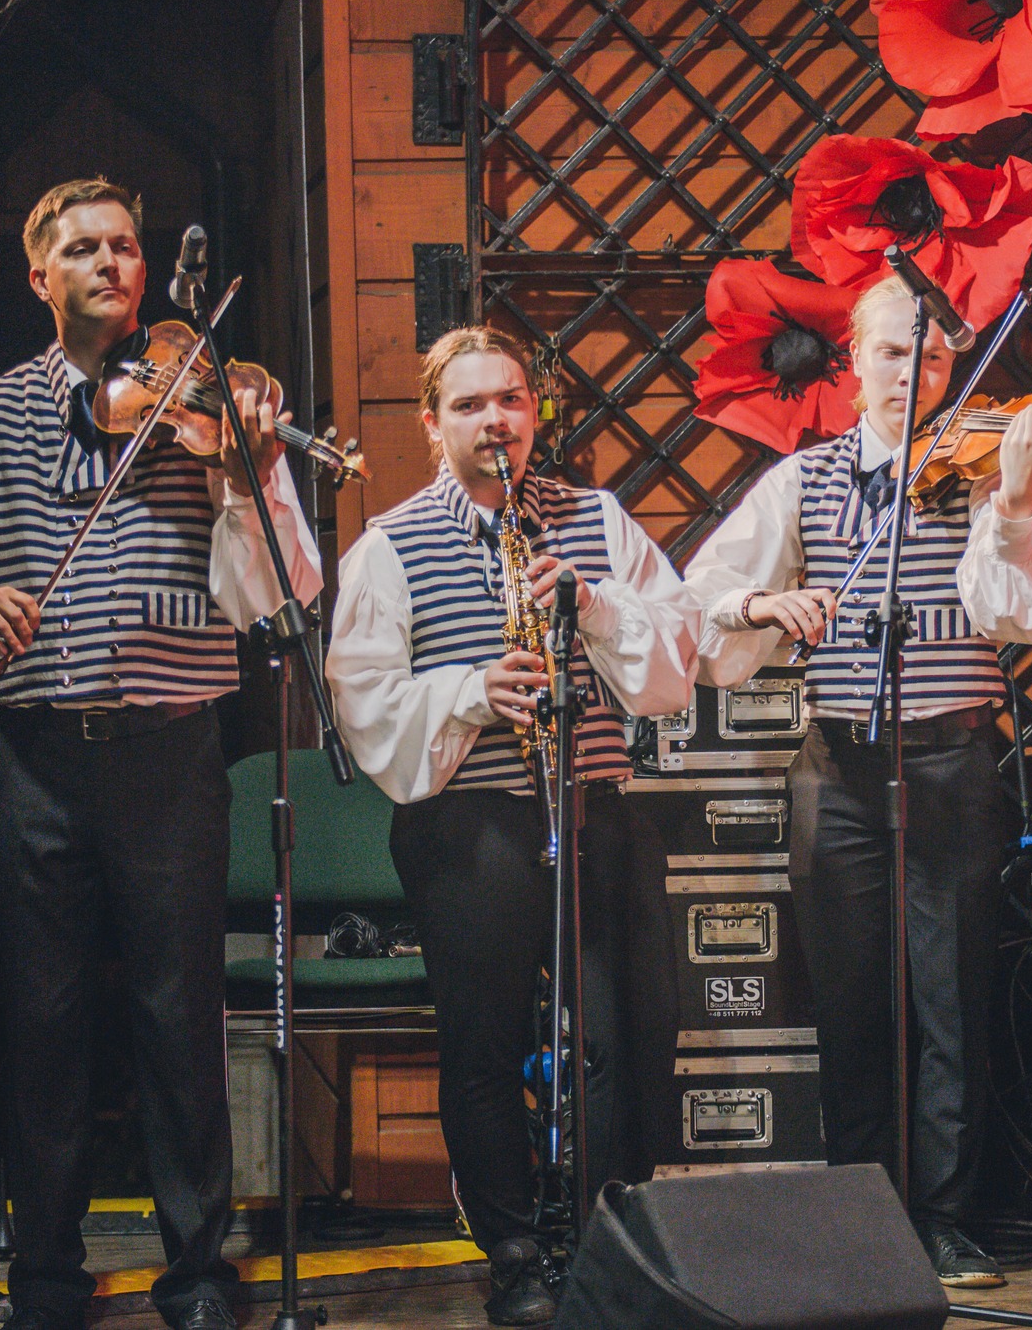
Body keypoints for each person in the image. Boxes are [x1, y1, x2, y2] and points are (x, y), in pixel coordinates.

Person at [0, 177, 323, 1330]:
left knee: (181, 1020)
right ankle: (48, 1277)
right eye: (83, 249)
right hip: (38, 761)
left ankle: (197, 1274)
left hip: (170, 753)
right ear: (40, 277)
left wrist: (246, 478)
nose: (112, 262)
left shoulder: (207, 408)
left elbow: (275, 594)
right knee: (46, 1024)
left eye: (124, 245)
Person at [683, 274, 1032, 1287]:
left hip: (951, 762)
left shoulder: (983, 477)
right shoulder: (806, 480)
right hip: (839, 767)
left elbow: (1016, 614)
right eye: (895, 351)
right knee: (849, 1006)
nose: (914, 372)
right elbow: (702, 589)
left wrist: (1013, 499)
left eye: (933, 356)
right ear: (853, 360)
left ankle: (945, 1218)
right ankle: (863, 1218)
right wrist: (762, 603)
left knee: (950, 1004)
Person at [324, 326, 697, 1326]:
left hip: (594, 811)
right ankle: (516, 1250)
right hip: (469, 829)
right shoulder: (389, 544)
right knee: (483, 1046)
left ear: (535, 412)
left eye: (511, 399)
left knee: (630, 1033)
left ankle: (611, 1238)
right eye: (469, 404)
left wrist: (594, 605)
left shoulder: (597, 519)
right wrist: (471, 692)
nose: (494, 419)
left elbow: (674, 666)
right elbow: (364, 705)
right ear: (431, 423)